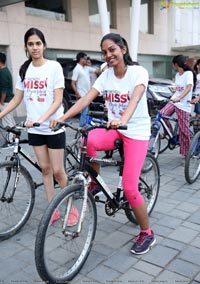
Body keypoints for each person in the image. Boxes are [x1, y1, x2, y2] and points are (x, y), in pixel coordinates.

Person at [50, 33, 155, 255]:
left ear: (123, 49)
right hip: (115, 128)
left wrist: (123, 119)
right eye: (104, 52)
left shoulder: (138, 72)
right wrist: (62, 117)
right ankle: (95, 181)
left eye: (112, 50)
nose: (108, 55)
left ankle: (147, 233)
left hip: (135, 131)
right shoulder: (105, 76)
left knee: (129, 187)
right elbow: (86, 99)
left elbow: (135, 98)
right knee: (89, 139)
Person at [0, 27, 78, 225]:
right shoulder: (24, 69)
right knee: (45, 169)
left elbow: (58, 100)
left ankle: (71, 206)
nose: (35, 47)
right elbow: (17, 99)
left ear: (44, 45)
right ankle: (53, 208)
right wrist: (1, 114)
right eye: (30, 44)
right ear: (26, 47)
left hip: (52, 127)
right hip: (35, 129)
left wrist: (40, 119)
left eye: (38, 43)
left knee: (59, 171)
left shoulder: (53, 67)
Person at [160, 54, 195, 156]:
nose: (173, 67)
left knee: (184, 130)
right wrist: (172, 91)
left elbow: (188, 88)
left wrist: (179, 98)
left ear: (176, 64)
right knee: (162, 114)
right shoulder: (177, 75)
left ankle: (187, 153)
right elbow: (178, 88)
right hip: (174, 101)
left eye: (173, 65)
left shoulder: (188, 74)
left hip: (183, 105)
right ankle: (168, 131)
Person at [71, 52, 100, 126]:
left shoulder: (86, 68)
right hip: (82, 94)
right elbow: (73, 83)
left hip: (87, 94)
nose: (87, 60)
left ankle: (83, 126)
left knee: (85, 112)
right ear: (81, 59)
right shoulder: (77, 69)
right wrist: (77, 93)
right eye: (86, 59)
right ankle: (82, 127)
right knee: (85, 111)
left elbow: (97, 71)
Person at [0, 52, 16, 141]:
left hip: (5, 101)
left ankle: (11, 139)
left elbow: (4, 89)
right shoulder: (5, 71)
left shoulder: (2, 72)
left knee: (7, 121)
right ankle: (14, 137)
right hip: (8, 100)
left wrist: (1, 103)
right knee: (10, 120)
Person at [191, 59, 200, 133]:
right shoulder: (195, 75)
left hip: (198, 97)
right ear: (197, 65)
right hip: (194, 96)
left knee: (198, 113)